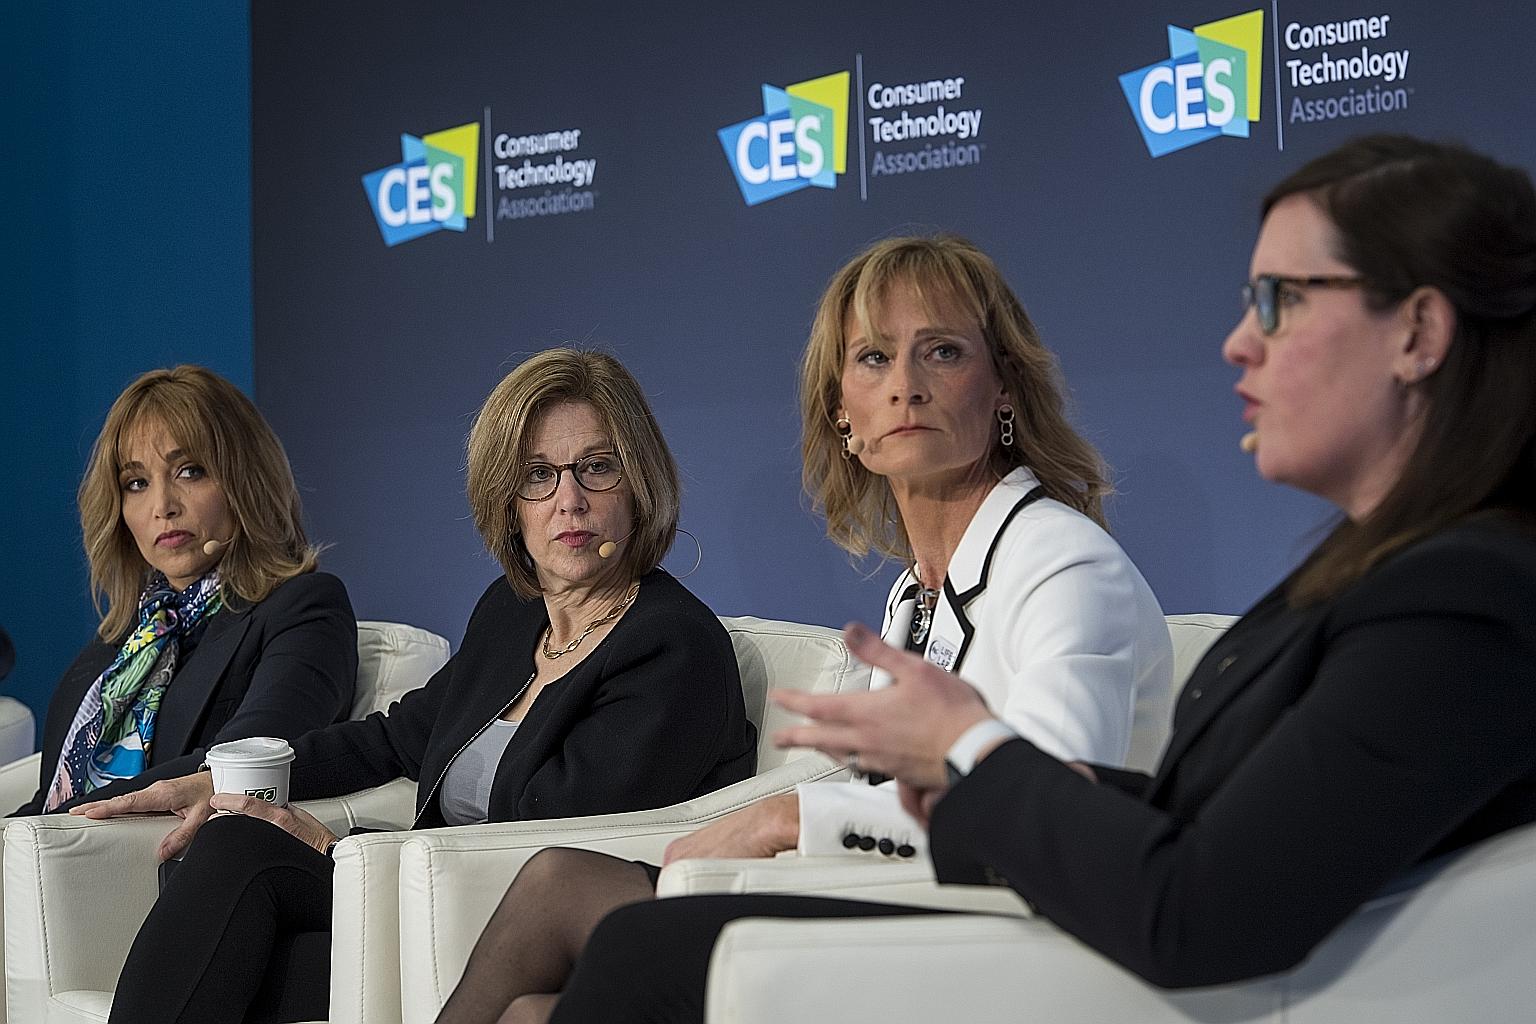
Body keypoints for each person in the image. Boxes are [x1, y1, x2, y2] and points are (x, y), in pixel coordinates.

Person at [544, 134, 1536, 1021]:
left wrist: (969, 748)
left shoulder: (1463, 601)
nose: (1239, 340)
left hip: (1140, 974)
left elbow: (1202, 906)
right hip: (1102, 935)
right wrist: (994, 779)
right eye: (875, 359)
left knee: (639, 950)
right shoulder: (1387, 576)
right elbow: (1222, 815)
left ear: (1418, 333)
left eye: (1281, 301)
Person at [434, 236, 1171, 1024]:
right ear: (842, 414)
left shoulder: (1064, 563)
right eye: (875, 360)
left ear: (1005, 389)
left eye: (943, 352)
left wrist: (791, 819)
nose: (908, 388)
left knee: (597, 925)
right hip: (909, 898)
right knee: (537, 970)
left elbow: (1053, 825)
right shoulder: (912, 596)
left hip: (1023, 940)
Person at [77, 349, 757, 1024]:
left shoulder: (672, 645)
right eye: (538, 476)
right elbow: (394, 738)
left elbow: (555, 839)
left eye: (597, 468)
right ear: (508, 500)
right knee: (226, 845)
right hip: (425, 902)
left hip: (515, 932)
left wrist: (340, 850)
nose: (569, 501)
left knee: (227, 949)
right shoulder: (510, 614)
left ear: (640, 484)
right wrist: (222, 783)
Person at [12, 365, 357, 817]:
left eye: (190, 472)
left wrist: (55, 828)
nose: (162, 507)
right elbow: (49, 796)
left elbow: (245, 763)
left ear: (245, 480)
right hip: (68, 865)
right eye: (136, 483)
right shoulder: (118, 647)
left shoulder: (305, 607)